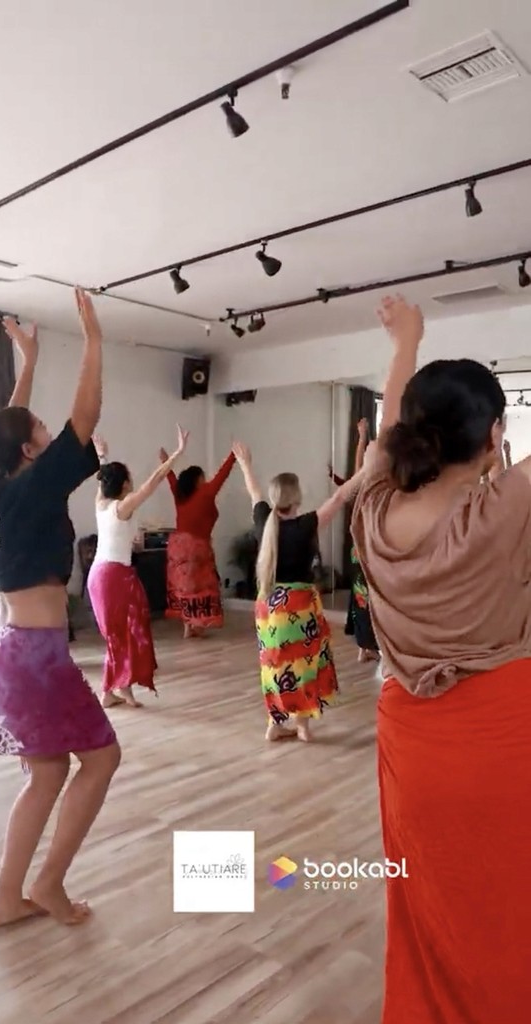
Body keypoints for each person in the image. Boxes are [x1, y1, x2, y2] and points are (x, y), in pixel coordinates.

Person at [351, 294, 531, 1021]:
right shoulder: (505, 507)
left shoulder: (372, 507)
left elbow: (388, 434)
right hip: (502, 735)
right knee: (507, 906)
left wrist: (405, 346)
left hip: (409, 743)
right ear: (495, 433)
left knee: (427, 901)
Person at [0, 290, 120, 929]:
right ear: (32, 451)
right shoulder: (30, 486)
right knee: (101, 759)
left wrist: (26, 360)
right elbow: (86, 412)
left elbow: (7, 429)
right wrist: (93, 340)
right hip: (35, 658)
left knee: (47, 775)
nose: (50, 436)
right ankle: (49, 884)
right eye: (41, 433)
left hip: (11, 653)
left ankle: (7, 898)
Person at [233, 443, 363, 742]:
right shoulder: (306, 525)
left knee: (274, 666)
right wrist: (367, 468)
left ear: (275, 498)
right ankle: (302, 726)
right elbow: (341, 496)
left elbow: (254, 492)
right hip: (300, 606)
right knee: (304, 666)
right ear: (297, 497)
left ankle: (275, 723)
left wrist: (245, 464)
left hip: (270, 607)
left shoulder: (264, 520)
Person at [88, 427, 189, 707]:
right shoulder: (122, 506)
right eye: (129, 478)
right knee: (124, 633)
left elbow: (102, 479)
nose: (133, 481)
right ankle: (116, 688)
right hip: (113, 576)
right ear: (123, 485)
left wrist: (101, 454)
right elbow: (153, 482)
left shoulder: (102, 502)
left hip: (103, 574)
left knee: (125, 633)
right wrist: (177, 455)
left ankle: (115, 689)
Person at [161, 447, 236, 638]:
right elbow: (222, 476)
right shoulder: (205, 493)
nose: (206, 480)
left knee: (185, 587)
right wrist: (234, 456)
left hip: (177, 546)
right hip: (195, 546)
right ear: (198, 480)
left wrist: (166, 462)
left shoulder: (181, 497)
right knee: (202, 586)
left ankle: (188, 626)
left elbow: (171, 480)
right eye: (202, 477)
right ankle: (198, 625)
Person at [330, 419, 379, 662]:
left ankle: (364, 648)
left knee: (361, 597)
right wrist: (362, 438)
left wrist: (361, 438)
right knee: (372, 599)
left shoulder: (362, 488)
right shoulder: (379, 490)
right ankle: (368, 646)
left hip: (359, 550)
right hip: (371, 550)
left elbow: (358, 466)